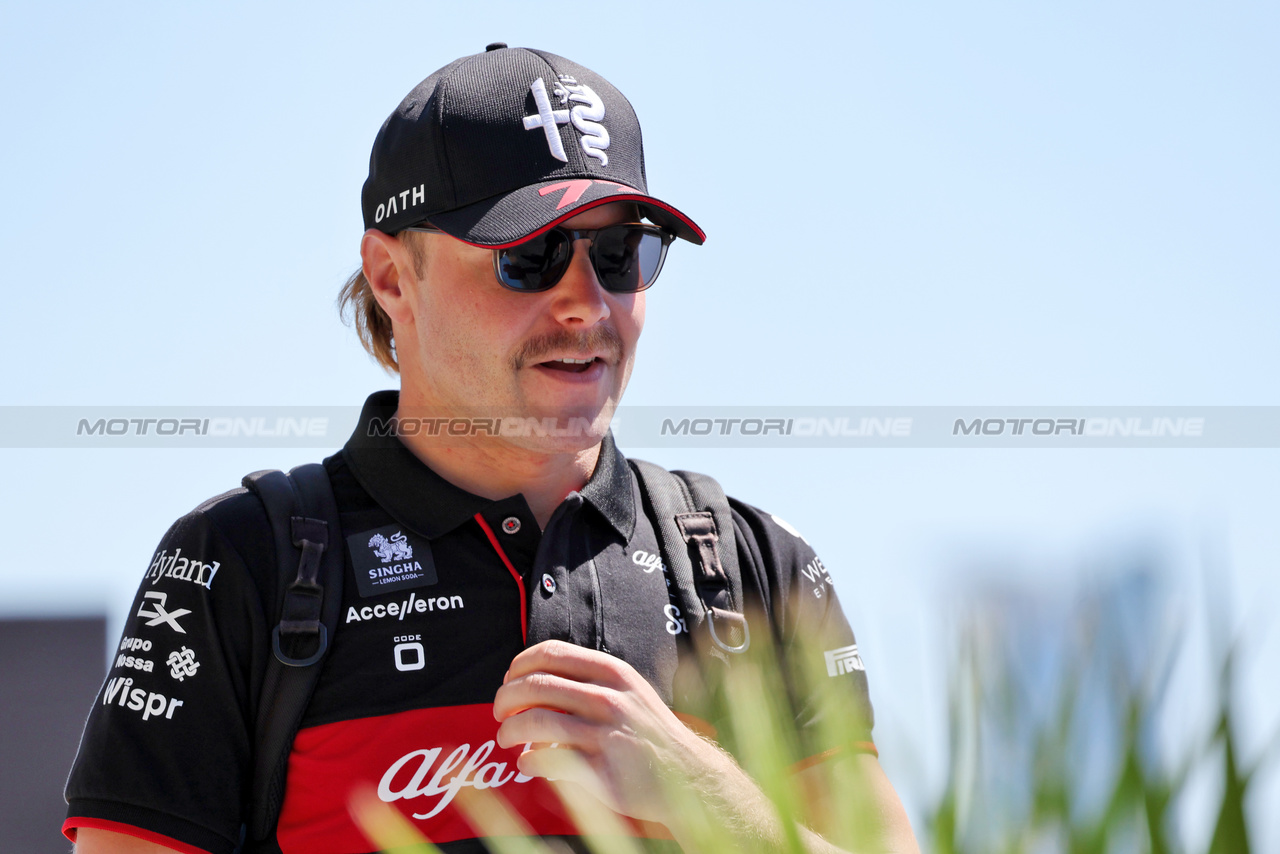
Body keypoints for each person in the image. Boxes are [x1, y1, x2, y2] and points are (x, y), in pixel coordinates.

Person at [64, 45, 920, 854]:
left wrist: (705, 798)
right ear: (393, 276)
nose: (586, 303)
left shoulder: (753, 563)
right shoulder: (237, 564)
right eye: (531, 256)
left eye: (620, 254)